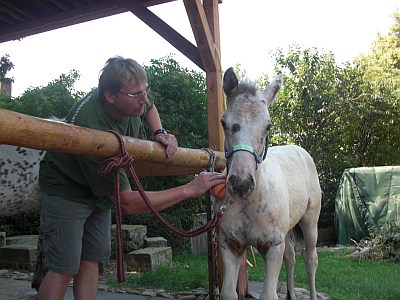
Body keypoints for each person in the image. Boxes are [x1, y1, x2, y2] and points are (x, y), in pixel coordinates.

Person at [37, 56, 226, 300]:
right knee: (63, 268)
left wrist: (160, 132)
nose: (144, 99)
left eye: (144, 91)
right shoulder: (89, 127)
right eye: (137, 95)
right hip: (67, 189)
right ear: (110, 96)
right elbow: (126, 202)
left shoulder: (132, 99)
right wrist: (189, 189)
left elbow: (150, 106)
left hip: (99, 193)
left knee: (91, 260)